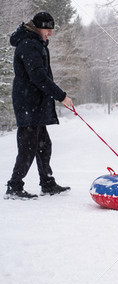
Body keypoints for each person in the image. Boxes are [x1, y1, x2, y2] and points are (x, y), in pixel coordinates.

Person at [5, 12, 74, 200]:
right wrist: (62, 97)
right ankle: (14, 187)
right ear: (38, 27)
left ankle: (47, 183)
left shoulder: (36, 43)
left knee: (44, 145)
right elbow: (38, 77)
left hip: (35, 103)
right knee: (28, 146)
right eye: (48, 29)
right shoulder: (28, 45)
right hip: (28, 103)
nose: (50, 33)